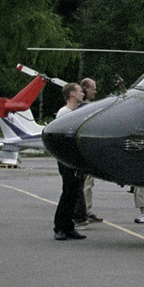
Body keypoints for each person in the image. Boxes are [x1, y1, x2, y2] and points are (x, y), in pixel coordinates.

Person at [53, 83, 86, 240]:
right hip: (66, 159)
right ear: (72, 94)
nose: (82, 94)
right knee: (67, 193)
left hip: (74, 159)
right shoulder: (64, 113)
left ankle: (69, 226)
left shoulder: (76, 112)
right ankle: (59, 227)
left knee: (74, 193)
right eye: (80, 91)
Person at [77, 78, 103, 224]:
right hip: (84, 153)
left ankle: (88, 210)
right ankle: (83, 211)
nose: (95, 91)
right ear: (85, 89)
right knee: (85, 185)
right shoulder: (82, 108)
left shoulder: (90, 106)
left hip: (90, 154)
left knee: (89, 184)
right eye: (93, 88)